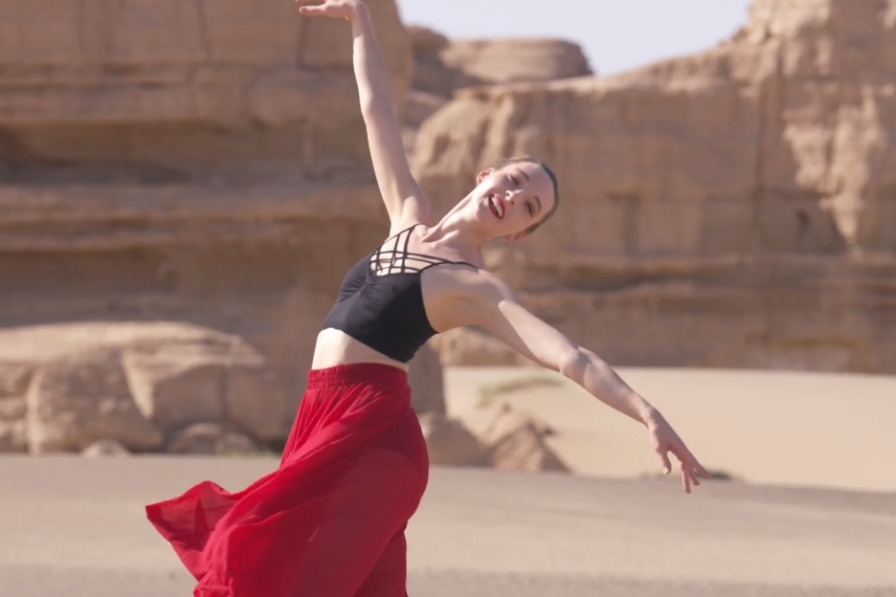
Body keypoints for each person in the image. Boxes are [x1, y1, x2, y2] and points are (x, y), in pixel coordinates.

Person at [145, 0, 710, 595]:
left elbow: (568, 356)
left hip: (373, 439)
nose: (513, 198)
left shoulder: (475, 286)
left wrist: (647, 413)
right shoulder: (407, 217)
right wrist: (361, 22)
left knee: (267, 570)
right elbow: (376, 109)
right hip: (323, 417)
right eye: (514, 181)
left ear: (518, 233)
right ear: (487, 174)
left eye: (529, 207)